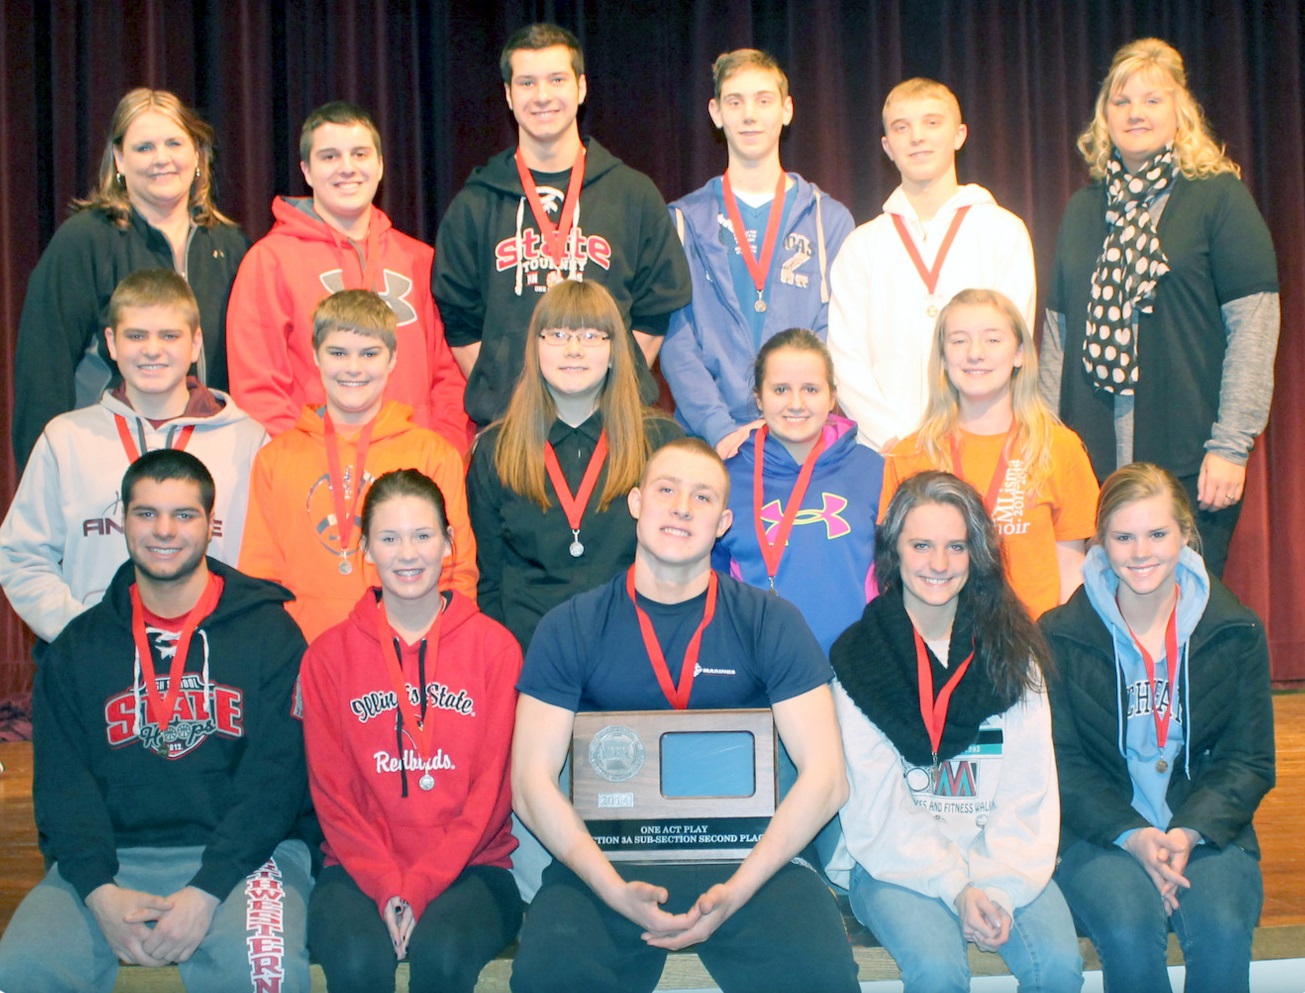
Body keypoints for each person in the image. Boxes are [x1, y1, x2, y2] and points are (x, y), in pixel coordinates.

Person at [510, 437, 860, 993]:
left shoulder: (770, 621)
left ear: (723, 522)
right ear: (636, 503)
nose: (680, 507)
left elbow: (828, 779)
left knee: (820, 974)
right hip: (606, 862)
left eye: (701, 498)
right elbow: (529, 784)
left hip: (752, 861)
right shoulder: (570, 625)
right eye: (666, 489)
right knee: (549, 974)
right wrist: (611, 888)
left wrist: (739, 889)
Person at [0, 449, 312, 993]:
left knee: (262, 972)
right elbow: (63, 790)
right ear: (122, 521)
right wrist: (99, 892)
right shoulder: (79, 647)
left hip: (245, 859)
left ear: (210, 525)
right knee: (23, 968)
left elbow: (277, 783)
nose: (164, 530)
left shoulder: (271, 634)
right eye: (146, 514)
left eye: (183, 515)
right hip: (113, 859)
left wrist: (207, 890)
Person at [826, 471, 1083, 993]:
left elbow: (1029, 792)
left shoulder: (1015, 651)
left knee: (1058, 967)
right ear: (893, 551)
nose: (938, 564)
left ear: (977, 554)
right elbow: (875, 808)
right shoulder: (857, 658)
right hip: (894, 862)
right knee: (939, 973)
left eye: (955, 547)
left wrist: (997, 887)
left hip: (1003, 857)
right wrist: (954, 886)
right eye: (921, 545)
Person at [1038, 39, 1279, 579]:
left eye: (1152, 99)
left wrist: (1231, 445)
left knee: (1186, 610)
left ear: (1180, 113)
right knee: (1101, 615)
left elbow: (1253, 328)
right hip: (1091, 463)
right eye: (1121, 102)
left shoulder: (1218, 198)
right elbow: (1057, 335)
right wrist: (1048, 444)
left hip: (1193, 458)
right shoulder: (1083, 209)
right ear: (1104, 118)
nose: (1135, 113)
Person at [1041, 462, 1274, 993]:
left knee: (1219, 929)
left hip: (1209, 831)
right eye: (1123, 537)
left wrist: (1186, 832)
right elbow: (1061, 764)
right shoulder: (1058, 635)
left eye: (1157, 534)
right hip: (1101, 835)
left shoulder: (1236, 630)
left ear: (1185, 534)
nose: (1141, 552)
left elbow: (1250, 761)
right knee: (1127, 929)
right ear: (1100, 542)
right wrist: (1134, 835)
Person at [300, 469, 523, 993]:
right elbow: (333, 796)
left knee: (442, 957)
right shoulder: (327, 657)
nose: (407, 554)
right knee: (356, 963)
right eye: (389, 538)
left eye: (423, 536)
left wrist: (420, 886)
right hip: (356, 870)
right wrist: (386, 885)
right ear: (366, 549)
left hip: (474, 868)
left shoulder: (496, 649)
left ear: (448, 543)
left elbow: (491, 794)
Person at [434, 22, 692, 429]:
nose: (542, 96)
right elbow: (459, 319)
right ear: (508, 94)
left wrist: (609, 390)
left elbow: (655, 309)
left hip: (612, 427)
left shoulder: (633, 193)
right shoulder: (474, 204)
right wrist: (510, 398)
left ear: (581, 87)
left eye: (556, 79)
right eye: (527, 82)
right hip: (511, 427)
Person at [0, 268, 266, 644]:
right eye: (136, 335)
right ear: (111, 342)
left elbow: (270, 563)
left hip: (214, 655)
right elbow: (21, 555)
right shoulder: (66, 439)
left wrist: (235, 637)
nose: (152, 350)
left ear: (195, 343)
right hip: (97, 659)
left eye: (169, 335)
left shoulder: (248, 441)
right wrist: (79, 633)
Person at [12, 88, 249, 471]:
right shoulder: (84, 242)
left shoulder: (231, 246)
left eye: (174, 143)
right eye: (143, 148)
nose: (162, 159)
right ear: (119, 160)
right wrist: (42, 475)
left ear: (198, 156)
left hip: (208, 462)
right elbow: (43, 371)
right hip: (105, 462)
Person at [227, 101, 469, 449]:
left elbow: (450, 378)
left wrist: (442, 457)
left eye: (359, 154)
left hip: (412, 477)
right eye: (329, 156)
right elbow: (259, 389)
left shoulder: (421, 261)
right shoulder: (269, 261)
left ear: (380, 165)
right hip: (318, 475)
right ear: (306, 171)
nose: (347, 168)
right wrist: (309, 465)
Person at [239, 289, 476, 643]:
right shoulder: (275, 459)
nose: (353, 368)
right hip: (302, 650)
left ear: (392, 359)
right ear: (315, 357)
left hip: (405, 651)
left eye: (369, 353)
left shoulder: (433, 454)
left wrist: (442, 648)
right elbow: (259, 578)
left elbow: (457, 572)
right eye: (337, 353)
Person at [467, 279, 681, 653]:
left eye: (592, 335)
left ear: (615, 351)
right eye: (558, 334)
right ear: (535, 348)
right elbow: (489, 582)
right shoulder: (494, 450)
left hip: (636, 650)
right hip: (530, 657)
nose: (574, 350)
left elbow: (681, 563)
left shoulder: (660, 443)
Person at [661, 49, 855, 458]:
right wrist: (719, 429)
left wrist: (787, 413)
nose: (749, 115)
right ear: (716, 113)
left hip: (802, 435)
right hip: (708, 441)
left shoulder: (827, 220)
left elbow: (834, 331)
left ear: (786, 110)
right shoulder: (682, 222)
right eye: (735, 101)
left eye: (764, 100)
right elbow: (677, 341)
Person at [828, 78, 1035, 454]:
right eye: (901, 127)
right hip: (886, 450)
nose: (917, 137)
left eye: (932, 123)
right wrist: (898, 439)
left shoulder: (1004, 232)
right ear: (887, 147)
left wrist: (963, 435)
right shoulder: (862, 246)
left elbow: (1008, 343)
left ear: (959, 135)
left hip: (979, 443)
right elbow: (845, 360)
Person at [882, 288, 1098, 618]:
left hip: (1031, 643)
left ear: (1020, 354)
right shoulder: (910, 455)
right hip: (939, 648)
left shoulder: (1059, 449)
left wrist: (1059, 650)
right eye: (959, 340)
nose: (975, 354)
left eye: (993, 340)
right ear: (942, 356)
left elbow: (1071, 572)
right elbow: (894, 573)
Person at [714, 328, 882, 655]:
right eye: (780, 389)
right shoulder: (725, 478)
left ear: (832, 397)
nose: (796, 403)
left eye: (810, 389)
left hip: (857, 670)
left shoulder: (872, 470)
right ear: (759, 397)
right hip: (761, 669)